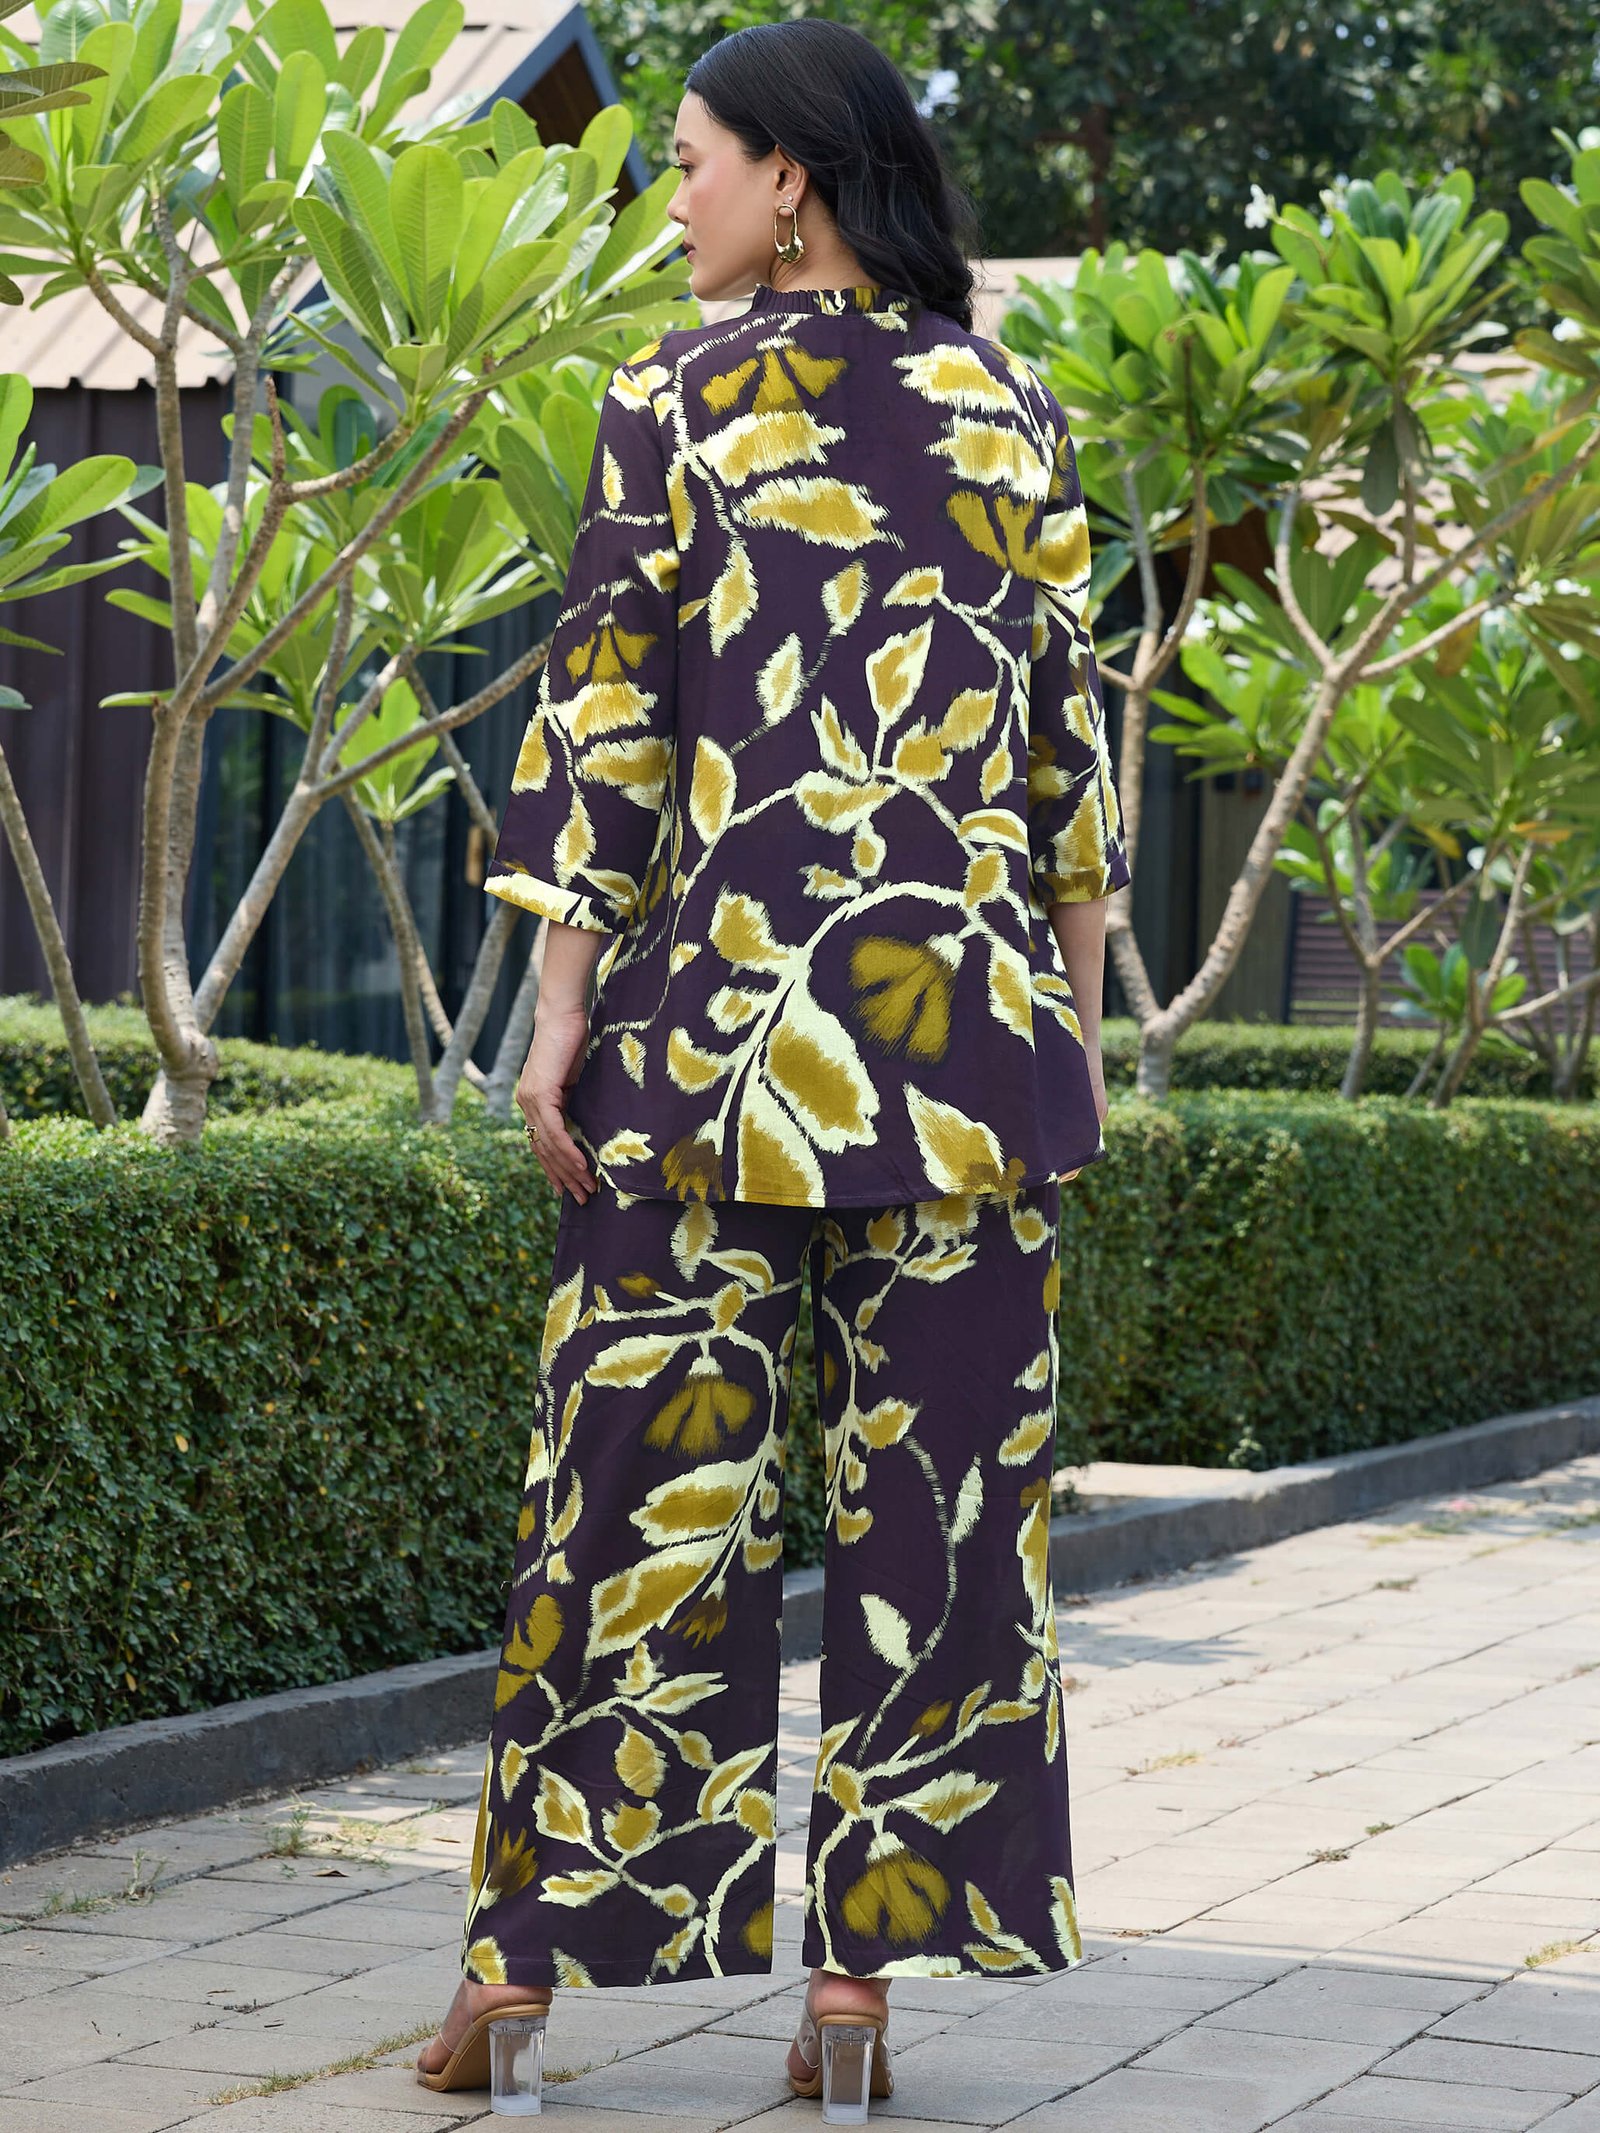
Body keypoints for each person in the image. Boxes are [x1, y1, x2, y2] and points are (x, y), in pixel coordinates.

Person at [417, 16, 1128, 2116]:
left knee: (628, 1501)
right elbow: (1065, 770)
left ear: (790, 179)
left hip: (711, 1048)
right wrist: (1073, 1042)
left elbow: (607, 730)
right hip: (963, 1057)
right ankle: (852, 1996)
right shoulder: (1014, 408)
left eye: (692, 160)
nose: (676, 197)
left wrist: (557, 1012)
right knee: (945, 1528)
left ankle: (518, 1978)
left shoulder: (672, 402)